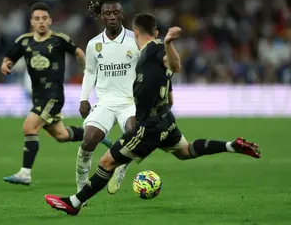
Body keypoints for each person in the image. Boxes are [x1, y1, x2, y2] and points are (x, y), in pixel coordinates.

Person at [44, 13, 262, 215]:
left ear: (135, 32)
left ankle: (74, 203)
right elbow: (170, 72)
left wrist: (168, 43)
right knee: (185, 151)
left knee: (106, 162)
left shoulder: (154, 49)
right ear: (155, 31)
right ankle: (231, 145)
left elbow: (175, 65)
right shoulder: (151, 51)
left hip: (148, 126)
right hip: (166, 120)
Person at [1, 2, 111, 185]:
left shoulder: (60, 40)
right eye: (37, 19)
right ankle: (96, 133)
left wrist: (87, 69)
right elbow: (9, 58)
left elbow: (78, 52)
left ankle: (25, 173)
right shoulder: (23, 41)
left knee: (29, 127)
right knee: (61, 135)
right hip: (38, 97)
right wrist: (5, 64)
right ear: (31, 22)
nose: (41, 22)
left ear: (50, 20)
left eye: (44, 18)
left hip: (53, 96)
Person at [76, 0, 140, 198]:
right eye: (107, 13)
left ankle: (120, 167)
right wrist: (84, 98)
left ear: (122, 15)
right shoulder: (94, 44)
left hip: (130, 102)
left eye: (115, 12)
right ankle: (81, 187)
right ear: (101, 17)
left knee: (133, 133)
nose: (112, 16)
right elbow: (90, 72)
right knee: (88, 142)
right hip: (104, 102)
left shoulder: (135, 40)